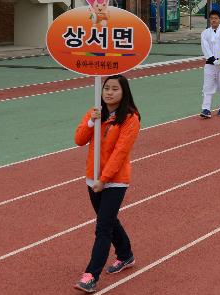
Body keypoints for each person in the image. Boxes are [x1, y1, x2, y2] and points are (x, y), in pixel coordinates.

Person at [73, 75, 140, 293]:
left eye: (114, 89)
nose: (109, 93)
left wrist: (104, 180)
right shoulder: (96, 112)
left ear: (124, 92)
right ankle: (125, 254)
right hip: (92, 178)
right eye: (106, 88)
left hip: (115, 181)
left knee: (102, 228)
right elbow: (79, 139)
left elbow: (120, 152)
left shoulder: (130, 118)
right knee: (109, 221)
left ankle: (91, 275)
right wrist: (92, 121)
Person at [200, 10, 220, 118]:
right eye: (212, 18)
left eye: (216, 18)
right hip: (210, 64)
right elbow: (205, 47)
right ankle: (206, 109)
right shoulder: (205, 33)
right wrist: (212, 59)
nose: (213, 20)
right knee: (207, 86)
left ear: (219, 19)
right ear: (209, 19)